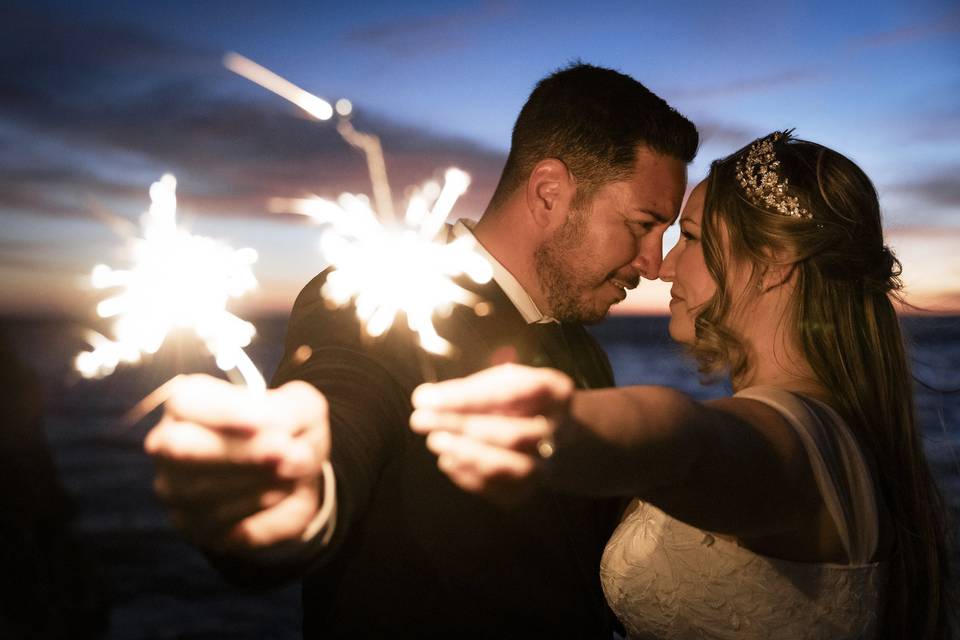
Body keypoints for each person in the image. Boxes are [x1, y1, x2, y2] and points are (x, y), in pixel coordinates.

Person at [144, 63, 699, 636]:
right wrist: (295, 492)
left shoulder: (585, 352)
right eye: (643, 224)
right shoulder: (381, 296)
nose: (653, 263)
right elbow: (344, 398)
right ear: (549, 194)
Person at [411, 131, 953, 639]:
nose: (664, 267)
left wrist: (560, 425)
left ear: (773, 262)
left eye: (689, 237)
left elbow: (686, 439)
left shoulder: (796, 441)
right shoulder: (833, 431)